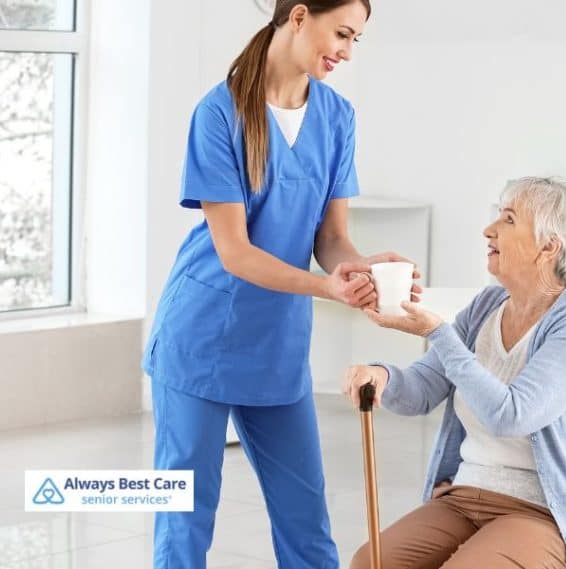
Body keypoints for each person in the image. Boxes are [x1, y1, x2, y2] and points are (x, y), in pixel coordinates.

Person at [141, 2, 419, 567]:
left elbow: (331, 237)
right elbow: (235, 252)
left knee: (306, 523)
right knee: (185, 519)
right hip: (201, 338)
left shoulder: (337, 116)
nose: (346, 51)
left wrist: (360, 269)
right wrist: (327, 288)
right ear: (298, 17)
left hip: (277, 343)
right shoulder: (218, 113)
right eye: (341, 33)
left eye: (356, 40)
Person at [343, 177, 566, 569]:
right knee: (370, 563)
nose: (489, 230)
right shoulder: (486, 305)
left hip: (544, 513)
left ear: (549, 246)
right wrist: (382, 377)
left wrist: (438, 334)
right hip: (464, 497)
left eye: (509, 220)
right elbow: (422, 390)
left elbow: (510, 416)